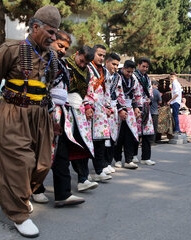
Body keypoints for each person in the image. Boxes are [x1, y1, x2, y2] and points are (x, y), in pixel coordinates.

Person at [0, 5, 60, 237]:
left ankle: (20, 193)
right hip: (13, 113)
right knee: (20, 162)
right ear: (35, 27)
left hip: (40, 116)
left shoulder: (52, 57)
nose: (54, 37)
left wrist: (51, 116)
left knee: (42, 164)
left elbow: (48, 89)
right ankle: (18, 213)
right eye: (50, 31)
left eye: (56, 32)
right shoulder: (10, 50)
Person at [49, 31, 90, 207]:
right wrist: (49, 111)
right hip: (41, 113)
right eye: (60, 46)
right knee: (37, 155)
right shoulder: (41, 60)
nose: (63, 51)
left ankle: (63, 193)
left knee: (62, 152)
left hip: (62, 113)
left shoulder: (62, 65)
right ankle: (33, 191)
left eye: (65, 48)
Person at [66, 46, 112, 184]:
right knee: (67, 146)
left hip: (86, 109)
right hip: (65, 108)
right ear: (77, 53)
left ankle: (87, 176)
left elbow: (91, 90)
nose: (83, 64)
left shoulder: (94, 71)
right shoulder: (65, 65)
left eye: (104, 55)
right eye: (100, 54)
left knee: (88, 142)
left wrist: (89, 106)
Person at [85, 44, 114, 177]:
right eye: (99, 55)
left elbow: (107, 90)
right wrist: (87, 105)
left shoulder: (105, 72)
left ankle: (99, 170)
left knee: (101, 140)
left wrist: (108, 106)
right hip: (88, 107)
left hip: (101, 108)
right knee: (86, 140)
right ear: (93, 53)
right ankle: (84, 174)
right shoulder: (87, 67)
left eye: (103, 55)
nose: (101, 58)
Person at [114, 60, 142, 169]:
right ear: (123, 68)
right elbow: (114, 93)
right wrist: (120, 108)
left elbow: (136, 94)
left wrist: (136, 108)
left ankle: (128, 160)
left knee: (129, 136)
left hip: (130, 109)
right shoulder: (117, 77)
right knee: (118, 136)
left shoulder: (133, 79)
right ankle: (117, 159)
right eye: (128, 71)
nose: (129, 74)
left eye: (131, 72)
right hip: (118, 108)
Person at [104, 53, 127, 172]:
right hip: (101, 108)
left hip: (113, 109)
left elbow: (120, 94)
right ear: (107, 62)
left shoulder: (117, 77)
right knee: (102, 136)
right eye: (113, 64)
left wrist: (122, 109)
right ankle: (101, 164)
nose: (115, 67)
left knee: (113, 136)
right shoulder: (100, 73)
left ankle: (107, 162)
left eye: (117, 65)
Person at [133, 57, 156, 166]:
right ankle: (133, 155)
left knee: (147, 133)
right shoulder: (133, 76)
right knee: (135, 133)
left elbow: (150, 92)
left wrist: (150, 99)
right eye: (143, 66)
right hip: (136, 107)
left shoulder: (147, 78)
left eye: (147, 67)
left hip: (146, 108)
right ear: (138, 65)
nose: (145, 69)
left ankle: (146, 157)